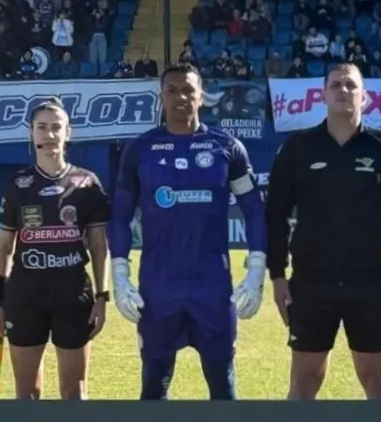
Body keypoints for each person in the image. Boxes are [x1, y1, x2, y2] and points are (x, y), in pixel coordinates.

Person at [107, 63, 268, 400]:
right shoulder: (140, 150)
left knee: (223, 387)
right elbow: (119, 215)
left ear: (202, 96)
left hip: (213, 287)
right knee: (154, 387)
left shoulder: (227, 148)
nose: (181, 96)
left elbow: (254, 211)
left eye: (189, 90)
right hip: (158, 287)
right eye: (172, 90)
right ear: (161, 97)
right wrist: (120, 277)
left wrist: (256, 273)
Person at [266, 62, 381, 400]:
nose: (343, 90)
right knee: (304, 381)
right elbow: (275, 214)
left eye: (351, 85)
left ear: (364, 97)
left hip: (370, 284)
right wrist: (277, 275)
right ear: (322, 94)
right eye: (335, 84)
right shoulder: (298, 148)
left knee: (377, 381)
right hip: (310, 283)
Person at [0, 98, 110, 399]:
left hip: (73, 294)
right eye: (42, 127)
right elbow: (4, 246)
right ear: (31, 133)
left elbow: (99, 246)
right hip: (25, 294)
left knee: (74, 392)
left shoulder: (88, 183)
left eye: (56, 128)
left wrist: (102, 297)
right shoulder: (17, 183)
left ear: (69, 133)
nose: (49, 134)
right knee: (28, 392)